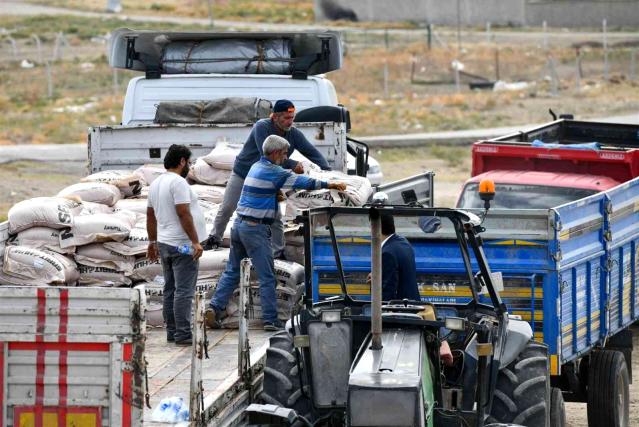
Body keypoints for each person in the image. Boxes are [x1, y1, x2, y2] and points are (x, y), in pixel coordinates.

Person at [206, 135, 346, 331]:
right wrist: (328, 185)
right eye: (283, 153)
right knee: (267, 276)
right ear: (275, 153)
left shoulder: (256, 167)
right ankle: (271, 321)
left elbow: (267, 188)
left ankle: (214, 307)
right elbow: (301, 181)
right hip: (255, 230)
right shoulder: (274, 171)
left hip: (239, 226)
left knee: (232, 271)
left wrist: (274, 193)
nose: (285, 157)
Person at [203, 99, 332, 259]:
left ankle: (278, 251)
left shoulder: (293, 134)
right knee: (228, 207)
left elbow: (311, 152)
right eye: (285, 118)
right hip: (244, 174)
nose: (289, 122)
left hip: (268, 179)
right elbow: (267, 154)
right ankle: (214, 238)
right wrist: (292, 164)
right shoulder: (262, 127)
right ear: (274, 117)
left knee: (275, 216)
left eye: (292, 118)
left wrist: (328, 171)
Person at [146, 144, 207, 346]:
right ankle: (183, 334)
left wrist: (152, 242)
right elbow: (183, 212)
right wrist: (195, 241)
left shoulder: (156, 183)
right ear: (181, 161)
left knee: (171, 289)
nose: (189, 166)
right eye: (188, 162)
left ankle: (172, 332)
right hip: (182, 245)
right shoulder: (178, 183)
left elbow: (150, 215)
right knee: (184, 291)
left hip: (164, 243)